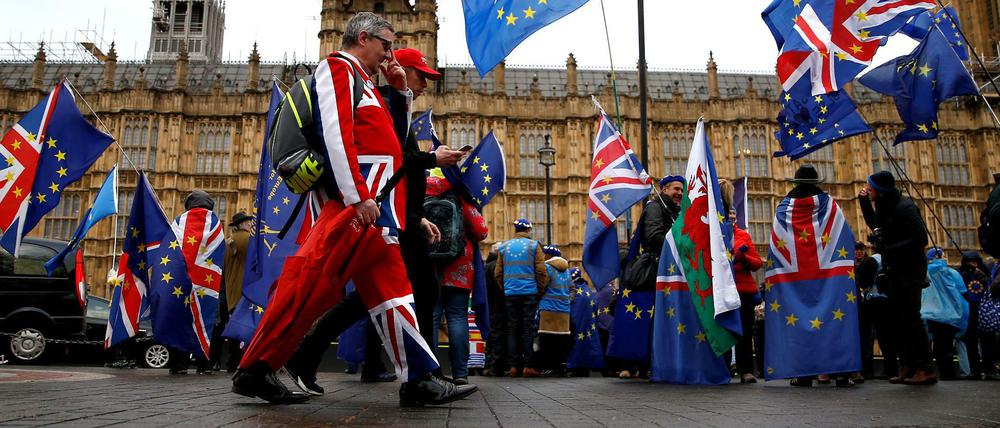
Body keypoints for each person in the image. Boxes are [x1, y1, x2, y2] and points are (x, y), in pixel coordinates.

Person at [233, 12, 476, 406]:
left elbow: (396, 148)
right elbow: (335, 133)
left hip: (378, 211)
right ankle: (256, 368)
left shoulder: (367, 84)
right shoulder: (337, 68)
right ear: (363, 38)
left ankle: (419, 379)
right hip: (358, 208)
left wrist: (400, 93)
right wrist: (355, 195)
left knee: (393, 294)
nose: (389, 53)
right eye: (386, 44)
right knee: (306, 288)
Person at [282, 44, 464, 395]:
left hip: (398, 215)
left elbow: (398, 170)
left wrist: (416, 215)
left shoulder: (399, 107)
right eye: (422, 76)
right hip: (381, 213)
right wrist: (432, 158)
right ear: (401, 70)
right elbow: (391, 162)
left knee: (371, 298)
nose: (426, 85)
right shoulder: (382, 105)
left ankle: (305, 357)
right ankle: (424, 379)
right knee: (421, 291)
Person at [859, 170, 936, 385]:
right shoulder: (886, 206)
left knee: (911, 319)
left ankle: (926, 367)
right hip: (895, 268)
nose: (868, 189)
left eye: (870, 187)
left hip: (910, 270)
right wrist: (864, 203)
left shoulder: (905, 207)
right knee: (898, 320)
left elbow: (920, 239)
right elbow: (876, 225)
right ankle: (909, 365)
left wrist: (890, 248)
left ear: (881, 191)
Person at [426, 171, 489, 385]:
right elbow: (481, 231)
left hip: (429, 267)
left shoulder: (419, 195)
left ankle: (431, 372)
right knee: (457, 318)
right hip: (459, 268)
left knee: (431, 319)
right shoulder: (460, 196)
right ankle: (460, 374)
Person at [495, 218, 548, 377]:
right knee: (527, 328)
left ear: (515, 229)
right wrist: (539, 290)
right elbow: (541, 271)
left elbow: (497, 273)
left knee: (512, 328)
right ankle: (528, 366)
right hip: (529, 293)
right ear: (528, 230)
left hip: (510, 293)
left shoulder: (503, 246)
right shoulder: (534, 245)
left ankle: (513, 367)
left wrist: (506, 289)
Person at [922, 248, 969, 381]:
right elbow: (963, 292)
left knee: (937, 344)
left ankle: (942, 372)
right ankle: (950, 373)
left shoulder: (926, 273)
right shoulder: (952, 272)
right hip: (951, 315)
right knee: (948, 344)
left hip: (931, 314)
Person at [730, 203, 763, 383]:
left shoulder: (743, 235)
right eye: (728, 213)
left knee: (745, 330)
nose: (732, 216)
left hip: (742, 290)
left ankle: (746, 370)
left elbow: (757, 263)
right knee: (724, 329)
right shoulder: (714, 234)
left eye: (734, 213)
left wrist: (744, 257)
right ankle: (723, 368)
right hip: (721, 289)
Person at [218, 211, 254, 372]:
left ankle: (231, 363)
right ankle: (244, 362)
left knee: (234, 328)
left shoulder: (227, 242)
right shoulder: (248, 240)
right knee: (247, 327)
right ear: (244, 225)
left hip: (231, 291)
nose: (251, 225)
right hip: (246, 291)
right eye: (249, 223)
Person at [534, 245, 572, 376]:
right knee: (561, 340)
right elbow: (572, 289)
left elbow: (542, 286)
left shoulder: (547, 268)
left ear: (548, 256)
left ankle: (547, 367)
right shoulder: (567, 271)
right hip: (564, 310)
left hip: (548, 308)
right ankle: (560, 366)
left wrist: (538, 298)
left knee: (546, 339)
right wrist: (567, 301)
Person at [959, 251, 990, 379]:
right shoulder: (962, 274)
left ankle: (989, 370)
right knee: (970, 340)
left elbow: (991, 284)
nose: (973, 264)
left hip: (984, 309)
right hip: (969, 309)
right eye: (970, 262)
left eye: (975, 262)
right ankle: (975, 370)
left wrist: (978, 273)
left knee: (987, 340)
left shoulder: (985, 273)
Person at [855, 241, 881, 380]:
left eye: (861, 249)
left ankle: (867, 369)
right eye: (856, 250)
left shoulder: (869, 263)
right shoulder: (851, 266)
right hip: (855, 305)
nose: (859, 252)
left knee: (867, 337)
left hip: (868, 302)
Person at [639, 176, 684, 255]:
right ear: (664, 189)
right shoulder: (654, 207)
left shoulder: (676, 212)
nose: (680, 193)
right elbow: (654, 237)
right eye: (676, 189)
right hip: (657, 262)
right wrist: (682, 246)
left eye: (682, 190)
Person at [483, 245, 507, 376]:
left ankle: (487, 365)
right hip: (498, 304)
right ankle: (496, 367)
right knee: (499, 335)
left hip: (488, 304)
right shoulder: (497, 266)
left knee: (491, 335)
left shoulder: (486, 265)